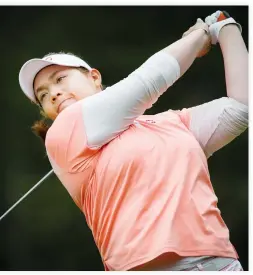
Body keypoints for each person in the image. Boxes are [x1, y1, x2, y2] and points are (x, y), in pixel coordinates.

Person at [18, 11, 248, 271]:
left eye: (59, 79)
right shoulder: (62, 135)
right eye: (43, 95)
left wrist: (226, 28)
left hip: (218, 263)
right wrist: (200, 35)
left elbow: (241, 108)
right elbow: (148, 81)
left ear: (94, 77)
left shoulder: (171, 123)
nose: (54, 93)